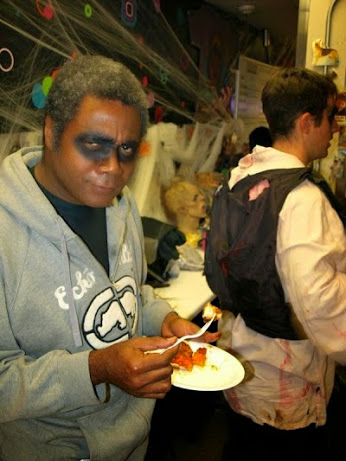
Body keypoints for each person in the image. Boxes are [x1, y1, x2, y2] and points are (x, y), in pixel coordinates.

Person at [0, 55, 219, 460]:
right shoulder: (5, 231)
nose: (113, 168)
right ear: (52, 132)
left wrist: (165, 320)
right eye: (94, 145)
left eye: (127, 149)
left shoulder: (121, 207)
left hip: (134, 438)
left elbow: (130, 290)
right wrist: (97, 369)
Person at [208, 67, 346, 458]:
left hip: (243, 363)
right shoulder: (302, 198)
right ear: (307, 123)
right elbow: (319, 303)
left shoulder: (238, 179)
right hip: (287, 380)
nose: (334, 128)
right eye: (330, 117)